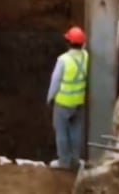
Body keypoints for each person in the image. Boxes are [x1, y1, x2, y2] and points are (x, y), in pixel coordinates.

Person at [47, 26, 89, 170]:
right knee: (76, 132)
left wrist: (49, 98)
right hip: (79, 102)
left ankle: (64, 162)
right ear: (82, 44)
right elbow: (84, 50)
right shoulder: (85, 56)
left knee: (62, 132)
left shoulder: (63, 60)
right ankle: (75, 161)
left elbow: (55, 81)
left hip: (63, 103)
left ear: (68, 42)